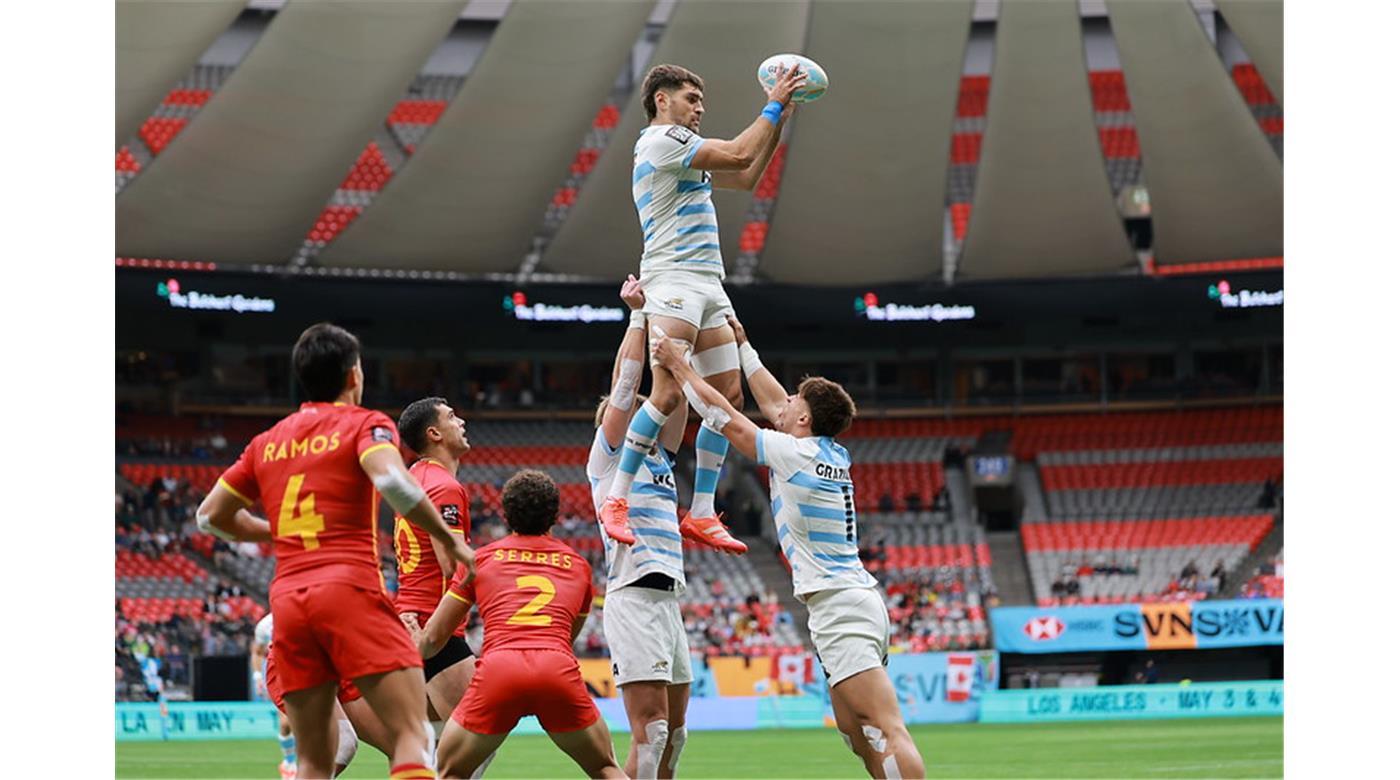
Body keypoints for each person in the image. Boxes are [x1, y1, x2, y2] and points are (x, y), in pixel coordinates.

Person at [197, 322, 476, 780]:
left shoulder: (267, 442)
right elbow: (389, 479)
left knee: (314, 760)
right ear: (353, 376)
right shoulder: (365, 424)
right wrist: (449, 540)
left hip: (288, 604)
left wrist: (281, 533)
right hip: (349, 591)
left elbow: (209, 518)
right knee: (413, 736)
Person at [651, 318, 926, 779]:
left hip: (840, 605)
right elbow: (775, 401)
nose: (782, 403)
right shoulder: (826, 451)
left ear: (803, 419)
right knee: (856, 733)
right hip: (852, 601)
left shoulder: (795, 453)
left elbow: (727, 419)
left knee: (884, 726)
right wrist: (742, 346)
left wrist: (680, 366)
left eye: (794, 402)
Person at [596, 62, 808, 552]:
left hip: (708, 283)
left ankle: (702, 511)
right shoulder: (659, 141)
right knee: (668, 392)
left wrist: (781, 119)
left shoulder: (682, 152)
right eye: (691, 97)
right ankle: (617, 497)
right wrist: (771, 103)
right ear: (662, 100)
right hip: (671, 278)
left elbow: (747, 173)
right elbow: (736, 153)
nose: (700, 107)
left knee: (729, 398)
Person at [585, 276, 732, 778]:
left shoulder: (660, 457)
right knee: (651, 730)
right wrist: (638, 316)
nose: (631, 416)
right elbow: (627, 388)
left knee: (675, 731)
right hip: (632, 594)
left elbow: (674, 399)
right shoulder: (607, 462)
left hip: (667, 597)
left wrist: (681, 326)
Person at [411, 471, 624, 779]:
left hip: (499, 671)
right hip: (555, 668)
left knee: (450, 770)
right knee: (604, 766)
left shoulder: (480, 561)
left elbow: (434, 639)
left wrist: (412, 642)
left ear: (506, 513)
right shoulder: (578, 566)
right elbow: (567, 637)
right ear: (554, 516)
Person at [394, 397, 480, 732]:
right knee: (475, 741)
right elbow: (451, 565)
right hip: (435, 626)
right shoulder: (443, 487)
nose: (461, 422)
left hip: (412, 618)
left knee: (435, 741)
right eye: (452, 417)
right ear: (434, 434)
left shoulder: (414, 478)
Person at [260, 613, 397, 777]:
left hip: (340, 657)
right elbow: (257, 649)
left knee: (401, 746)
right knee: (343, 742)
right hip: (300, 656)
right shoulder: (265, 624)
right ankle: (289, 761)